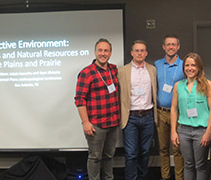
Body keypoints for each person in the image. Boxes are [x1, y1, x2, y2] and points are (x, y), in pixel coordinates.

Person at [74, 38, 120, 180]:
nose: (103, 53)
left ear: (110, 53)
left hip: (113, 123)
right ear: (95, 52)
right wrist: (85, 122)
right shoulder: (86, 73)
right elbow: (79, 100)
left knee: (109, 156)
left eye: (106, 50)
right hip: (96, 125)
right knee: (95, 158)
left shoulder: (113, 69)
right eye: (100, 50)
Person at [171, 52, 211, 180]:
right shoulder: (178, 86)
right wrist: (173, 132)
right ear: (183, 67)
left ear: (199, 67)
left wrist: (209, 132)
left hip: (201, 131)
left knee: (201, 165)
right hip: (183, 131)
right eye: (187, 65)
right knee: (188, 164)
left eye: (193, 65)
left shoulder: (208, 85)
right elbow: (174, 109)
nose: (190, 68)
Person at [118, 40, 157, 180]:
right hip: (131, 117)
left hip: (148, 116)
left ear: (146, 53)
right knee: (131, 153)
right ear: (131, 53)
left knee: (146, 152)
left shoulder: (152, 70)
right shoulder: (122, 71)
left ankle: (142, 177)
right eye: (137, 50)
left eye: (142, 51)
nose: (139, 53)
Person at [154, 34, 184, 180]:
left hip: (179, 113)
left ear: (178, 47)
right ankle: (164, 177)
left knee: (178, 149)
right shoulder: (157, 65)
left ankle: (179, 177)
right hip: (161, 113)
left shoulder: (185, 65)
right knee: (163, 149)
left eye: (173, 44)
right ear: (163, 47)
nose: (171, 47)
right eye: (168, 44)